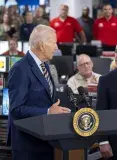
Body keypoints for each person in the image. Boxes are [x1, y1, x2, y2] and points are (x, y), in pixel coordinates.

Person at [7, 25, 71, 160]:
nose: (56, 47)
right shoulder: (20, 69)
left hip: (46, 140)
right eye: (54, 42)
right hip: (28, 146)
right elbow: (16, 109)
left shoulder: (45, 65)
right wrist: (48, 111)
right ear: (42, 45)